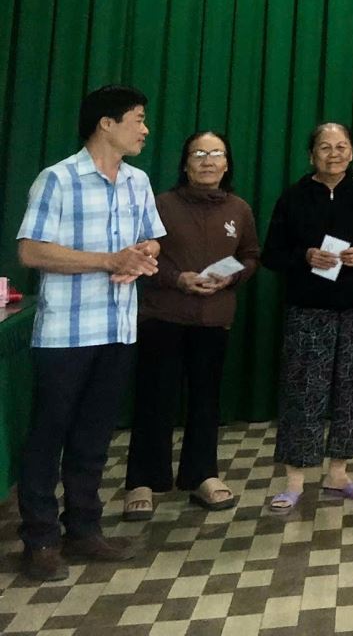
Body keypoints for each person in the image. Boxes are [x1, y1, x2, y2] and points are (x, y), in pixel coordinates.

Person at [15, 85, 162, 582]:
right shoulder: (57, 179)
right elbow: (31, 251)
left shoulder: (138, 181)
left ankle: (83, 528)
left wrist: (143, 255)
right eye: (137, 119)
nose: (145, 130)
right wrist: (109, 261)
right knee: (49, 434)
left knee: (94, 436)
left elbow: (152, 240)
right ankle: (39, 538)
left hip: (118, 328)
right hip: (65, 333)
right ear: (106, 123)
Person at [125, 130, 259, 519]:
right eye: (199, 154)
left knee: (205, 401)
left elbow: (251, 254)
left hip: (213, 319)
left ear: (227, 164)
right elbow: (140, 254)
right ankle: (143, 481)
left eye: (216, 153)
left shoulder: (239, 208)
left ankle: (201, 475)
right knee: (155, 400)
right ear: (185, 163)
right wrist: (177, 278)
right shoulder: (160, 204)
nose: (207, 161)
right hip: (162, 316)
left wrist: (231, 276)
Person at [262, 121, 353, 513]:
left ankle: (338, 474)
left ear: (352, 152)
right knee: (303, 392)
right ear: (311, 154)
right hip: (308, 310)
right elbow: (271, 255)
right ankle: (295, 481)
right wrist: (305, 256)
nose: (334, 154)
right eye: (325, 147)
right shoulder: (293, 197)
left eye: (341, 146)